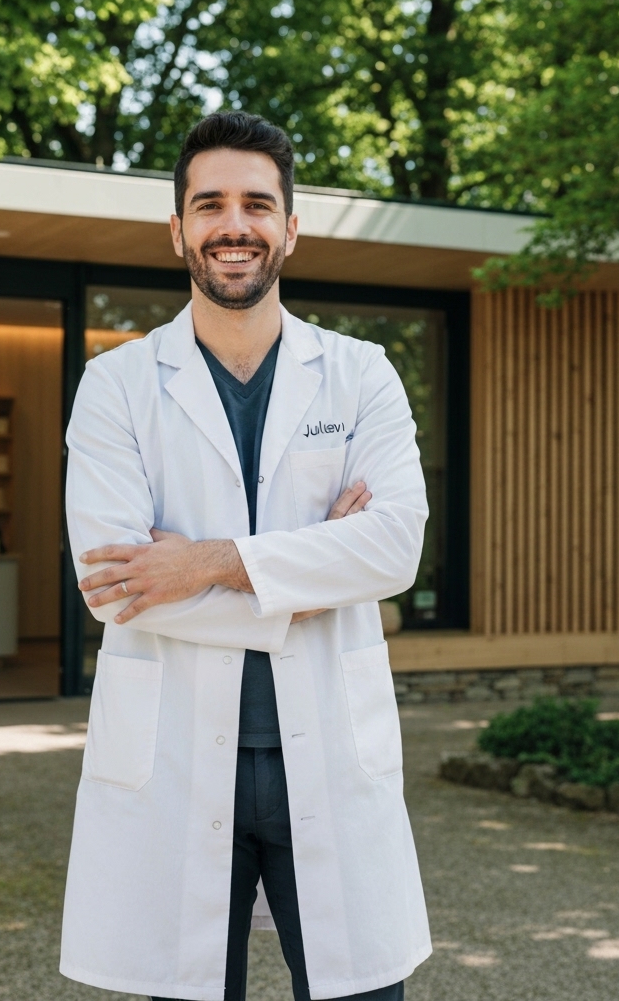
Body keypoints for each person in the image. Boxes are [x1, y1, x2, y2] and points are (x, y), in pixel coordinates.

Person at [60, 111, 431, 1001]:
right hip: (178, 763)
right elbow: (116, 586)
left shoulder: (360, 374)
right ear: (179, 228)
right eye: (211, 204)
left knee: (363, 994)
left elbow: (394, 546)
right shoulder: (117, 385)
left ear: (291, 227)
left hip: (331, 758)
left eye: (258, 204)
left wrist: (209, 562)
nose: (236, 225)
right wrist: (311, 583)